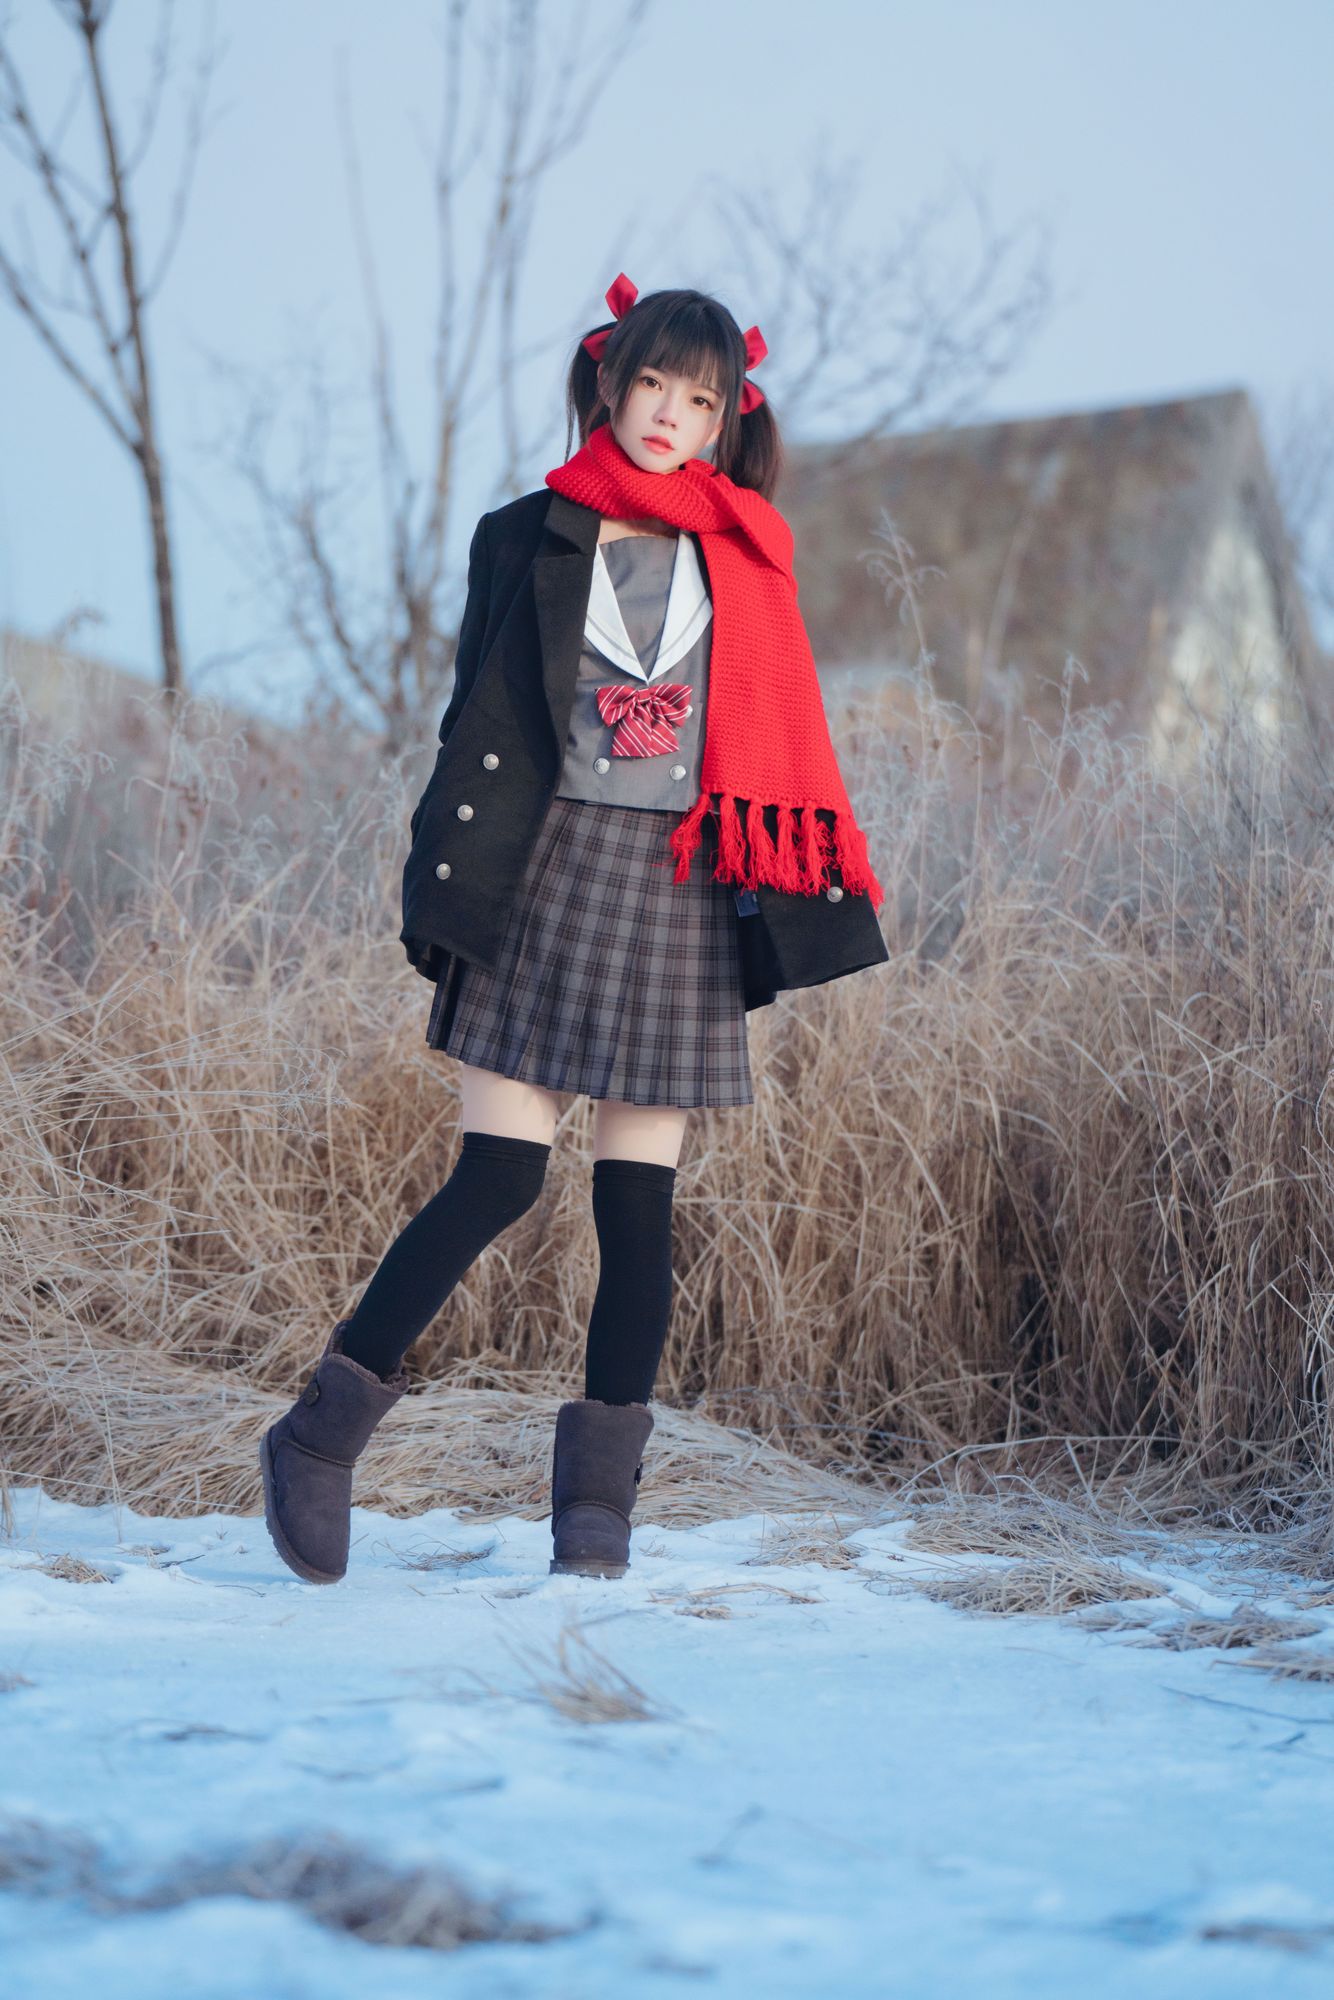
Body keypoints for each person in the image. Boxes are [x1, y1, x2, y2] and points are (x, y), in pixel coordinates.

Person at [260, 273, 888, 1587]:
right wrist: (445, 885)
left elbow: (775, 742)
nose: (669, 415)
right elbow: (471, 722)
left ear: (726, 419)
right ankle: (319, 1438)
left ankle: (596, 1514)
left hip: (678, 888)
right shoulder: (525, 534)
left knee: (638, 1208)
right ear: (610, 381)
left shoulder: (747, 559)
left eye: (699, 399)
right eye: (651, 383)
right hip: (540, 875)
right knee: (498, 1176)